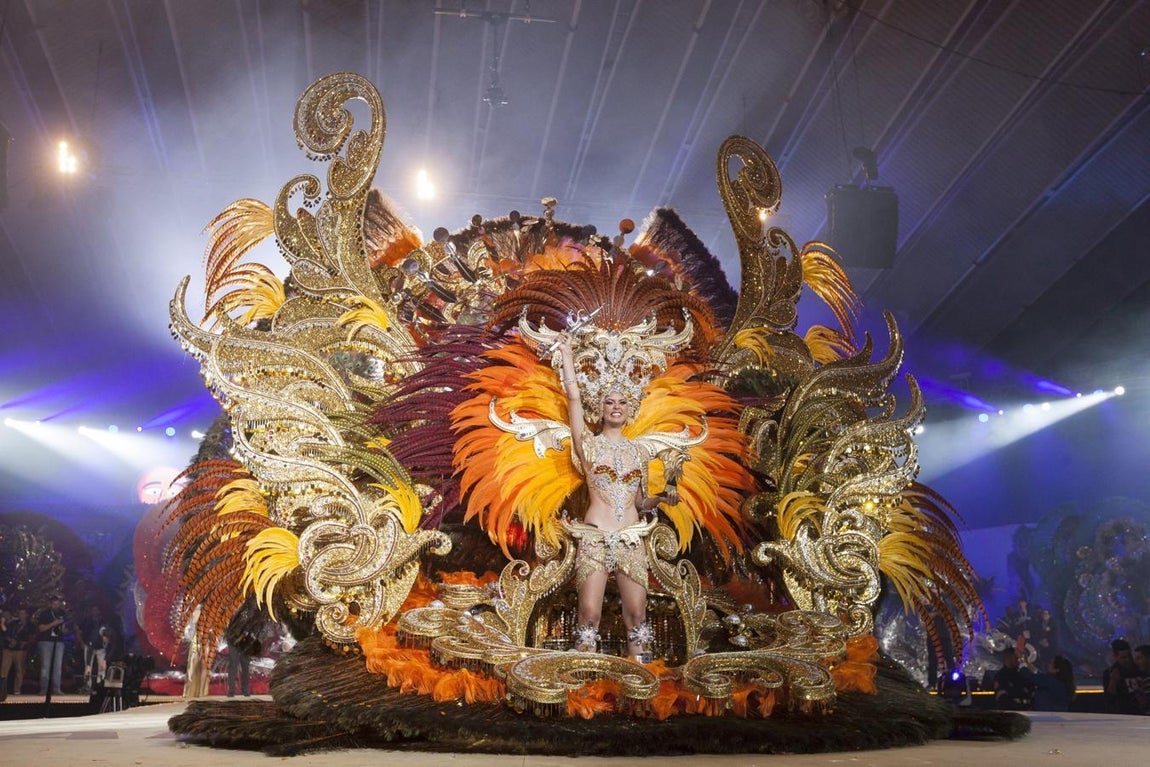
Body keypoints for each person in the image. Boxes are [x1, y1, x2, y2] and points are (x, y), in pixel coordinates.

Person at [555, 332, 678, 661]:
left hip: (630, 539)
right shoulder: (589, 445)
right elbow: (573, 398)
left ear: (631, 408)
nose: (616, 408)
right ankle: (586, 681)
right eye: (610, 402)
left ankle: (638, 684)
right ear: (601, 406)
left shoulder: (639, 452)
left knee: (637, 615)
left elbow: (640, 502)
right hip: (595, 536)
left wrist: (662, 499)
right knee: (589, 613)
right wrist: (567, 353)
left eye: (622, 402)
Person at [34, 595, 70, 695]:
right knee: (46, 665)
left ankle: (56, 689)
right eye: (54, 604)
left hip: (59, 641)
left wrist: (64, 630)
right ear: (50, 604)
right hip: (46, 641)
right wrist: (53, 624)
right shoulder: (44, 614)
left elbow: (66, 628)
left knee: (57, 666)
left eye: (58, 603)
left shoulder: (62, 613)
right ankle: (44, 689)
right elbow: (41, 629)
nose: (56, 605)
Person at [1102, 638, 1143, 714]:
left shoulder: (1140, 668)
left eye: (1129, 656)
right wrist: (1113, 680)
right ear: (1115, 656)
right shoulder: (1110, 672)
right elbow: (1109, 698)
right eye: (1123, 657)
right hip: (1123, 712)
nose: (1128, 659)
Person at [1, 608, 34, 698]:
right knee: (4, 670)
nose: (21, 615)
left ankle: (17, 689)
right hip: (8, 649)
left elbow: (32, 638)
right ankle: (2, 690)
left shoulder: (30, 625)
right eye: (19, 613)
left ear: (27, 615)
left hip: (20, 650)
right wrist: (11, 640)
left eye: (23, 613)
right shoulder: (13, 623)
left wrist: (23, 643)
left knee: (19, 669)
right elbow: (5, 633)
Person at [77, 605, 107, 693]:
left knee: (102, 667)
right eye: (94, 610)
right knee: (88, 666)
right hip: (89, 646)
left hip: (101, 647)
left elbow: (107, 634)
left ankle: (100, 685)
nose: (95, 612)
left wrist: (106, 643)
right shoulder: (87, 621)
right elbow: (78, 631)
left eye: (97, 610)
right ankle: (87, 685)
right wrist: (81, 642)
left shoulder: (103, 621)